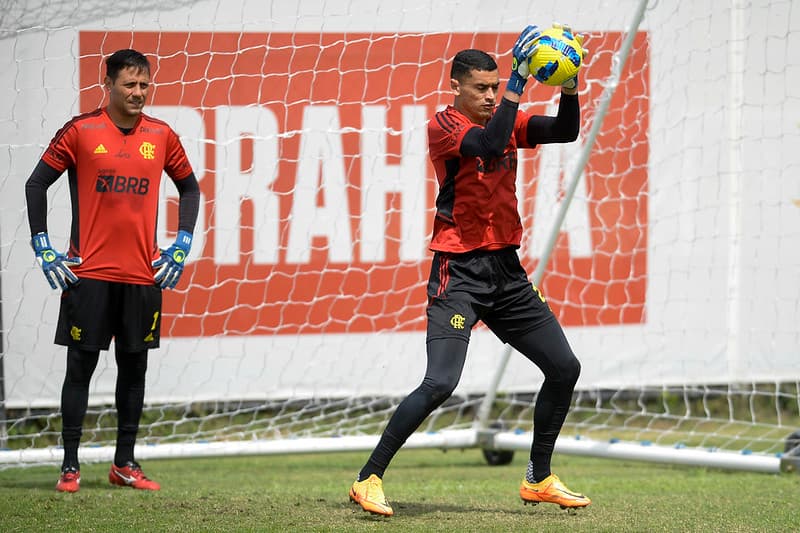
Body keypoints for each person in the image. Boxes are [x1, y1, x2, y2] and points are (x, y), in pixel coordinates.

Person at [349, 24, 590, 516]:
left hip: (506, 272)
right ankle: (368, 477)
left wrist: (569, 85)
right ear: (456, 86)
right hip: (458, 273)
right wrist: (520, 84)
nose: (489, 95)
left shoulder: (507, 119)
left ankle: (538, 477)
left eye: (495, 87)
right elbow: (487, 143)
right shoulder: (445, 126)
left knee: (564, 368)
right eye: (481, 88)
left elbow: (565, 131)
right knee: (441, 382)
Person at [24, 48, 200, 493]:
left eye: (144, 85)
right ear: (108, 85)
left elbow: (190, 189)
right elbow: (36, 183)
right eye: (130, 85)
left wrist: (181, 242)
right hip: (90, 275)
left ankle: (125, 463)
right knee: (79, 368)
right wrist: (42, 244)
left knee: (134, 370)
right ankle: (69, 465)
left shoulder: (161, 135)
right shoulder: (82, 131)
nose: (138, 92)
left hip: (143, 276)